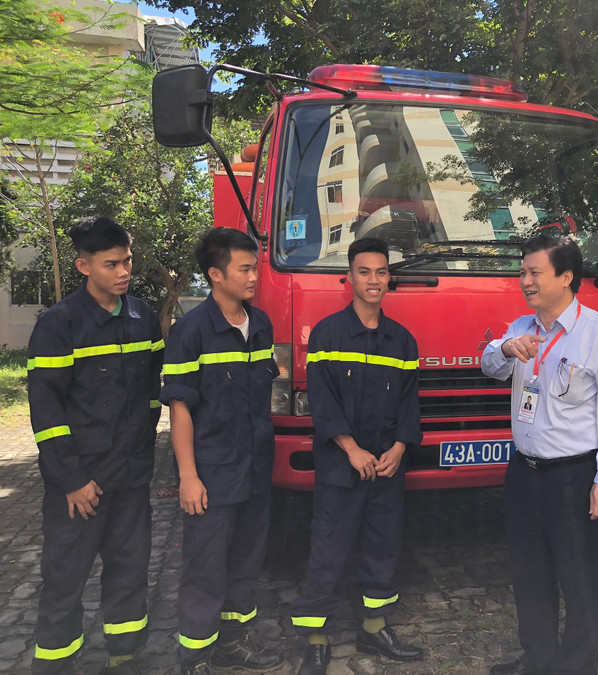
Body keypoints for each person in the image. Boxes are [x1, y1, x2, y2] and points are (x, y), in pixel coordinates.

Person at [482, 233, 598, 675]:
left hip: (574, 477)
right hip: (524, 474)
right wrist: (503, 348)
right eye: (523, 272)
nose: (525, 281)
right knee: (530, 576)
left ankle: (575, 667)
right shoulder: (521, 329)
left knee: (580, 581)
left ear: (566, 277)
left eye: (534, 272)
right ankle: (539, 659)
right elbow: (489, 365)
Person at [27, 216, 164, 675]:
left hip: (130, 476)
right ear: (84, 267)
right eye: (112, 264)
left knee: (129, 572)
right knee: (65, 578)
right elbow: (47, 413)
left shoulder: (143, 316)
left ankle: (125, 657)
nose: (124, 271)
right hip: (81, 483)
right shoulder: (58, 324)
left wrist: (143, 453)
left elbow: (150, 393)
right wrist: (71, 479)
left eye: (127, 260)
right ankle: (57, 664)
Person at [290, 237, 423, 675]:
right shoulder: (327, 334)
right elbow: (321, 402)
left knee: (383, 547)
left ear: (390, 279)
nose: (373, 280)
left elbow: (409, 403)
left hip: (386, 467)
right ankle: (314, 636)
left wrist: (400, 448)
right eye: (364, 272)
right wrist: (351, 449)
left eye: (381, 272)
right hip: (340, 466)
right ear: (349, 278)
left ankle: (374, 625)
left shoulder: (402, 341)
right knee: (328, 548)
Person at [160, 228, 282, 675]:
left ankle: (233, 643)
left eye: (255, 267)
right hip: (211, 473)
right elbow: (180, 408)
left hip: (254, 468)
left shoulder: (261, 325)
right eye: (244, 269)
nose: (254, 276)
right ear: (215, 274)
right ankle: (194, 659)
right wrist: (188, 476)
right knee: (205, 569)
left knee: (246, 561)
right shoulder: (191, 332)